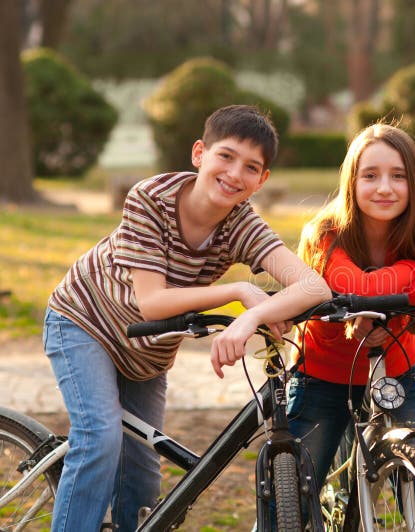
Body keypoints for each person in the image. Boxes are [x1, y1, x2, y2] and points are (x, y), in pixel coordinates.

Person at [43, 104, 331, 531]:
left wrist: (250, 319)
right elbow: (152, 302)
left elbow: (314, 287)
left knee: (141, 474)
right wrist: (237, 292)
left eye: (251, 167)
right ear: (200, 153)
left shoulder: (241, 225)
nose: (235, 174)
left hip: (147, 352)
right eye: (226, 156)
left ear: (261, 181)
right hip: (85, 324)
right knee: (100, 440)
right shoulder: (150, 199)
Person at [282, 122, 415, 495]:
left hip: (397, 373)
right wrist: (413, 271)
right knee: (293, 501)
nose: (385, 187)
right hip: (321, 378)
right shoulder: (326, 231)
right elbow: (355, 287)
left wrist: (396, 285)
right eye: (370, 175)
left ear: (413, 184)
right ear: (351, 182)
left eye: (398, 176)